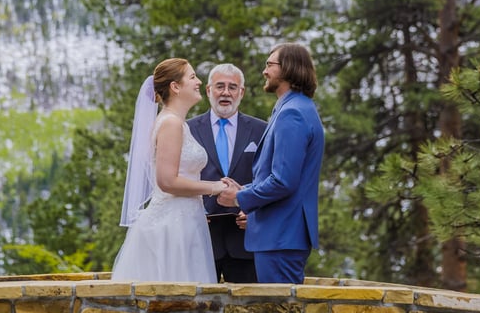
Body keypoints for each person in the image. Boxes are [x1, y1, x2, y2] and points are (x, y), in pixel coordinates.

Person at [112, 58, 240, 283]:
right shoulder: (171, 123)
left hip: (188, 219)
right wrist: (215, 187)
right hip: (172, 226)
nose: (198, 81)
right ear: (175, 86)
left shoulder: (178, 123)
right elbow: (167, 181)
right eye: (192, 77)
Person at [218, 43, 325, 284]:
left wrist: (239, 198)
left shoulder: (292, 114)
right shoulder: (293, 108)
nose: (265, 71)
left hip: (281, 235)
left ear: (288, 68)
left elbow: (283, 181)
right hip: (280, 236)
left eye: (270, 65)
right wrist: (244, 188)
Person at [188, 63, 267, 283]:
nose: (225, 92)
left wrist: (256, 213)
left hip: (245, 241)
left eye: (232, 87)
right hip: (200, 240)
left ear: (241, 92)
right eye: (220, 86)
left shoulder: (261, 130)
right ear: (208, 90)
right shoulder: (187, 129)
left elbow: (268, 178)